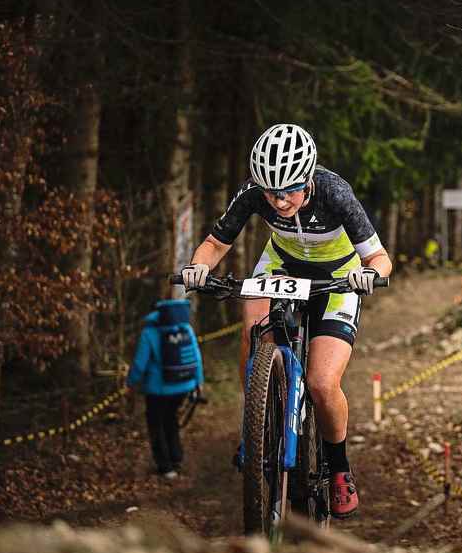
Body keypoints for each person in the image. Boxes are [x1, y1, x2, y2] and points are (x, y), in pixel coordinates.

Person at [180, 123, 393, 519]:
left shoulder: (335, 193)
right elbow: (214, 244)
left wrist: (369, 275)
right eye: (271, 192)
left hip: (338, 276)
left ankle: (339, 467)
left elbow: (380, 258)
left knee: (321, 382)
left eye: (290, 190)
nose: (279, 202)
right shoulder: (253, 193)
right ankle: (257, 422)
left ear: (309, 178)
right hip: (281, 266)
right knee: (251, 320)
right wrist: (197, 267)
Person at [126, 299, 204, 479]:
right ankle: (176, 458)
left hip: (158, 390)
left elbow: (139, 364)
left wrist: (130, 383)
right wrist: (198, 381)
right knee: (171, 420)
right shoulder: (186, 329)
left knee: (156, 425)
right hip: (184, 386)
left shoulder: (149, 333)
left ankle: (165, 466)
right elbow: (197, 358)